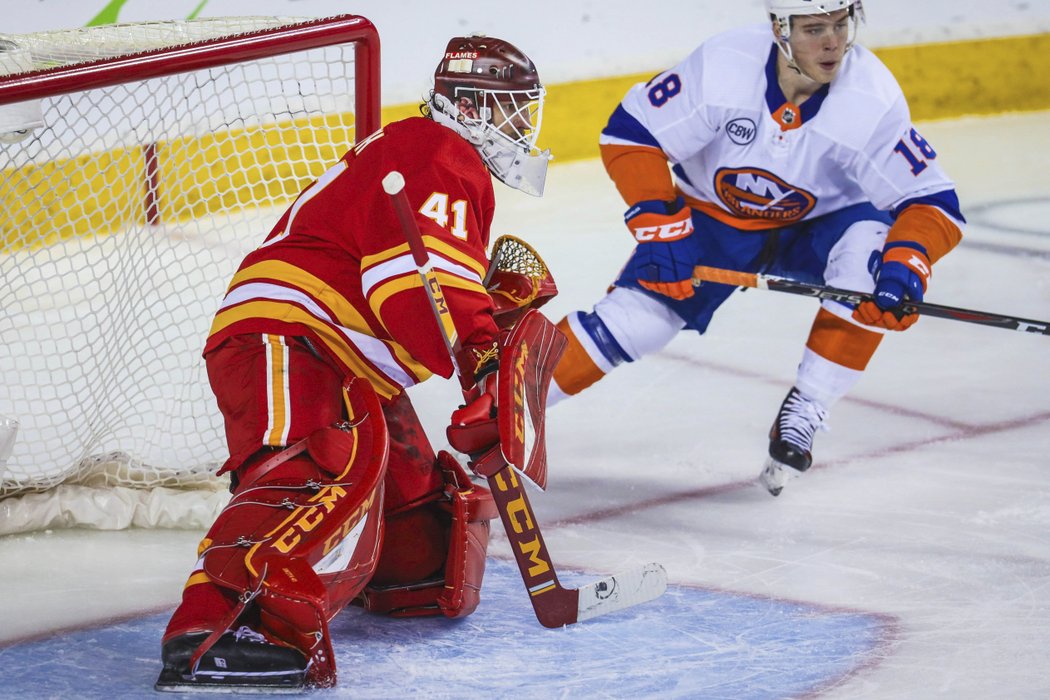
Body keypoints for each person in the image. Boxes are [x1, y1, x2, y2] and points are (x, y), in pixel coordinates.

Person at [155, 35, 552, 691]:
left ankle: (403, 580)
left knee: (419, 512)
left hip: (341, 356)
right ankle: (212, 628)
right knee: (317, 469)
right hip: (289, 336)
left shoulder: (433, 158)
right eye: (513, 111)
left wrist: (485, 339)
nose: (522, 128)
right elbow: (421, 289)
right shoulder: (438, 153)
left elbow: (426, 285)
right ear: (475, 106)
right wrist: (482, 358)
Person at [549, 0, 964, 496]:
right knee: (636, 322)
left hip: (825, 225)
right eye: (814, 28)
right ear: (779, 29)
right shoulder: (725, 66)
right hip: (712, 217)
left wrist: (907, 263)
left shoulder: (870, 98)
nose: (832, 42)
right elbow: (632, 133)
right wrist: (660, 223)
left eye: (840, 24)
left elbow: (932, 201)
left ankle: (808, 403)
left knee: (871, 263)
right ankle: (500, 410)